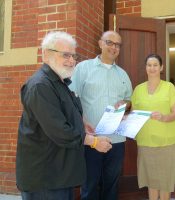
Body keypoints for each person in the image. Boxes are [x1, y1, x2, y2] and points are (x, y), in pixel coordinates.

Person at [16, 31, 112, 200]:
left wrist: (83, 125)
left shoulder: (60, 82)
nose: (72, 61)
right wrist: (94, 141)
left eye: (74, 56)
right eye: (66, 55)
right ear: (46, 54)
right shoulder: (40, 86)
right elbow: (59, 130)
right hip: (45, 178)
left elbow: (66, 112)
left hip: (60, 175)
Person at [69, 30, 132, 200]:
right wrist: (82, 123)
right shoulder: (83, 68)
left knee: (111, 185)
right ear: (100, 43)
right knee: (89, 185)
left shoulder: (123, 74)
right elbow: (71, 99)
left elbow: (129, 101)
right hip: (91, 139)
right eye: (109, 42)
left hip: (116, 140)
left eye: (117, 45)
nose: (114, 47)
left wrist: (125, 104)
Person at [131, 54, 175, 200]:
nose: (152, 68)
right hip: (145, 142)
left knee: (165, 181)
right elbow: (134, 114)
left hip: (167, 142)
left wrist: (164, 117)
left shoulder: (169, 87)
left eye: (155, 65)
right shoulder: (138, 89)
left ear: (161, 67)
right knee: (150, 180)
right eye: (149, 65)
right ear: (145, 68)